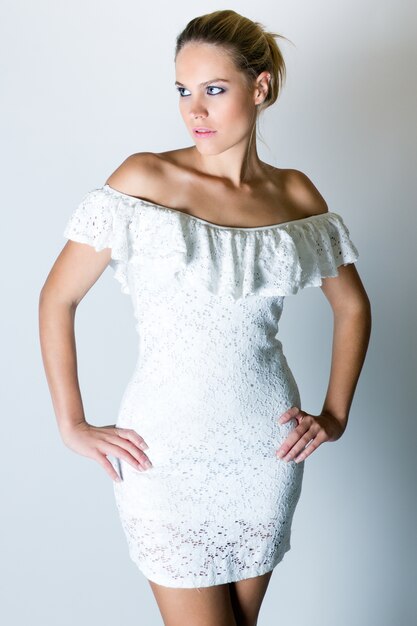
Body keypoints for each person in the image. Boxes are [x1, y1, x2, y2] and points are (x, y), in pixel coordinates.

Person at [38, 9, 372, 626]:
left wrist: (335, 414)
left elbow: (352, 304)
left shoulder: (296, 195)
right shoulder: (143, 179)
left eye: (213, 90)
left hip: (265, 453)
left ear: (260, 87)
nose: (194, 109)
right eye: (183, 91)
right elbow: (57, 298)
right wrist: (71, 423)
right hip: (164, 454)